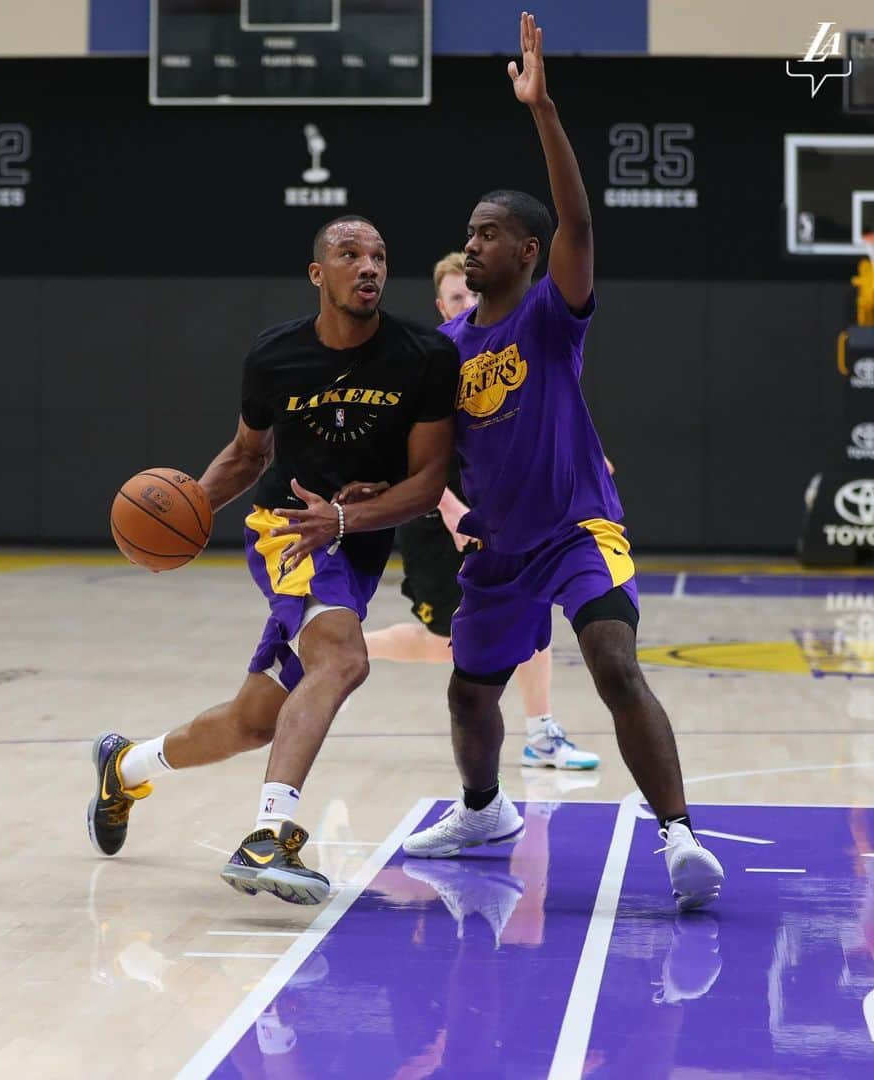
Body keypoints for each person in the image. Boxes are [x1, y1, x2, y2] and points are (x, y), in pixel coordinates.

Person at [399, 13, 723, 910]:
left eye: (490, 232)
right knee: (470, 698)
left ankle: (680, 837)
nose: (474, 242)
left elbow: (578, 215)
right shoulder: (446, 348)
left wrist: (542, 113)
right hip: (501, 549)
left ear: (529, 251)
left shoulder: (550, 313)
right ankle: (483, 811)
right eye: (470, 230)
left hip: (579, 529)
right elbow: (434, 463)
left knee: (615, 663)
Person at [86, 215, 460, 905]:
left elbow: (428, 483)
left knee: (255, 721)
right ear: (319, 274)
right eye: (350, 255)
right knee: (344, 660)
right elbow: (245, 455)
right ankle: (269, 835)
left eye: (378, 255)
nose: (369, 266)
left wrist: (352, 514)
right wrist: (183, 515)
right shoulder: (275, 355)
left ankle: (126, 765)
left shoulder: (424, 355)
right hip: (287, 529)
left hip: (356, 538)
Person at [364, 251, 600, 771]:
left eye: (470, 294)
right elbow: (399, 457)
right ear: (440, 304)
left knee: (530, 614)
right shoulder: (430, 362)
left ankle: (541, 733)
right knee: (449, 644)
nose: (466, 302)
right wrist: (448, 507)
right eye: (455, 297)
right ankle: (348, 648)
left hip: (497, 519)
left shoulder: (500, 351)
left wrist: (583, 456)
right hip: (436, 519)